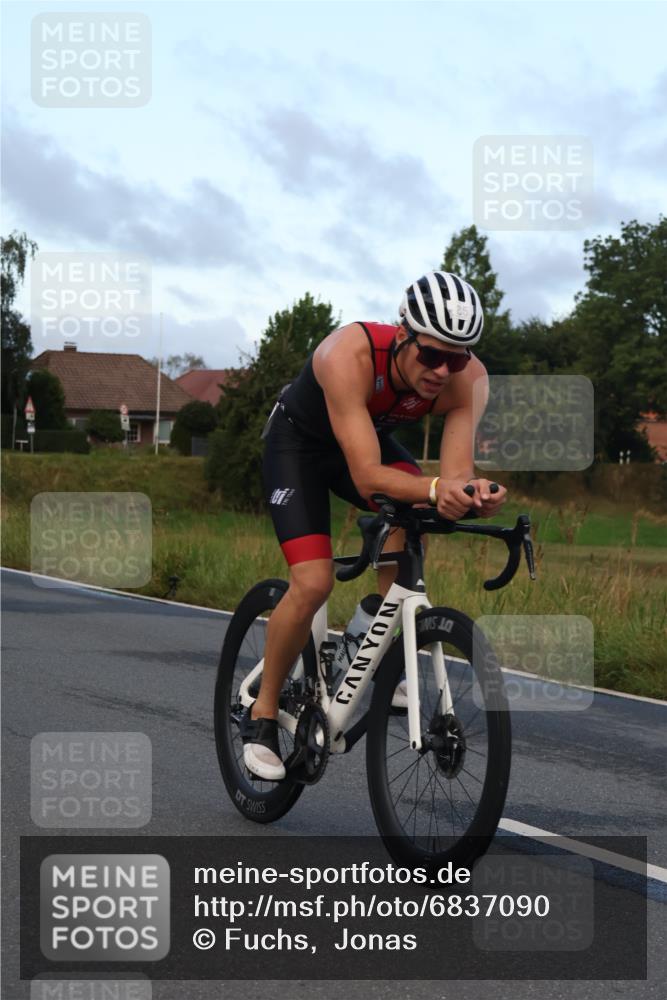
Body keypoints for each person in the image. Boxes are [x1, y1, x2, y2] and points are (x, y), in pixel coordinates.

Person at [240, 270, 507, 779]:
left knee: (418, 516)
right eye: (431, 354)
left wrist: (471, 495)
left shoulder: (468, 380)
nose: (441, 370)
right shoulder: (347, 354)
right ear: (402, 334)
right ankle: (264, 713)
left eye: (456, 358)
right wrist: (435, 489)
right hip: (298, 447)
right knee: (313, 581)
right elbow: (367, 478)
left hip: (362, 441)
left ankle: (376, 645)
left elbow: (451, 478)